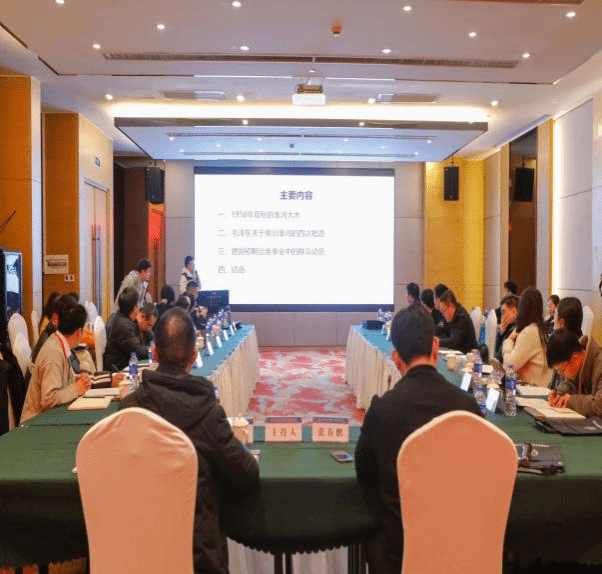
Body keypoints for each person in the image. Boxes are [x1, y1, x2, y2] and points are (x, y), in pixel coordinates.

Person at [118, 307, 259, 574]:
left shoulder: (128, 410)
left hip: (138, 552)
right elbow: (247, 473)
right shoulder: (208, 413)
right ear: (194, 357)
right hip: (197, 557)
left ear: (154, 353)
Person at [355, 305, 482, 574]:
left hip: (400, 553)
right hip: (463, 550)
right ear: (435, 345)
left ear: (395, 358)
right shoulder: (468, 407)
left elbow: (365, 476)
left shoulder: (381, 411)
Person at [21, 297, 91, 421]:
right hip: (35, 423)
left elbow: (60, 382)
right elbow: (48, 399)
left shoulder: (59, 342)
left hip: (50, 418)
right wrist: (76, 389)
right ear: (79, 332)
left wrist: (78, 380)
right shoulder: (53, 352)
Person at [502, 286, 552, 387]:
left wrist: (509, 340)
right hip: (536, 388)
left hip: (534, 391)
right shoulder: (538, 329)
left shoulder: (530, 332)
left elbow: (508, 366)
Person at [547, 329, 602, 416]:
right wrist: (559, 394)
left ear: (574, 358)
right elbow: (570, 383)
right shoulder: (580, 364)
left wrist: (571, 400)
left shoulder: (599, 365)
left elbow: (599, 405)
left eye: (562, 370)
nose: (562, 375)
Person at [104, 287, 149, 372]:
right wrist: (154, 351)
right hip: (118, 368)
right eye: (137, 305)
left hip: (122, 363)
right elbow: (137, 351)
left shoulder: (122, 317)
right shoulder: (124, 326)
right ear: (134, 308)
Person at [494, 294, 519, 363]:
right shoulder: (509, 328)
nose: (502, 317)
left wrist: (502, 335)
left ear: (514, 312)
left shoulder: (515, 330)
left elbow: (498, 358)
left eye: (503, 313)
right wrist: (501, 334)